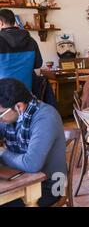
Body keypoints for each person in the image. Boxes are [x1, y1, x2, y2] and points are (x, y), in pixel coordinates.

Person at [0, 78, 66, 207]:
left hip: (53, 185)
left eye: (0, 114)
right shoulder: (11, 117)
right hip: (22, 178)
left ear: (19, 106)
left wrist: (2, 153)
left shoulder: (46, 117)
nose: (0, 118)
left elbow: (31, 164)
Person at [0, 9, 43, 90]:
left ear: (1, 22)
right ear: (13, 22)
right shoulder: (31, 41)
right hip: (26, 94)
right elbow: (38, 64)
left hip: (3, 96)